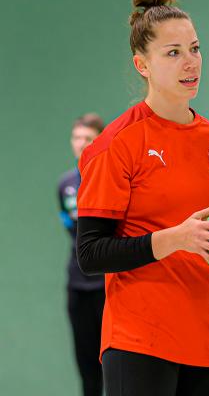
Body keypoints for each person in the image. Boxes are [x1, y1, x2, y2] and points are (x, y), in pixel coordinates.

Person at [76, 0, 209, 396]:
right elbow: (91, 253)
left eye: (195, 48)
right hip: (139, 342)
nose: (191, 62)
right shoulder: (116, 145)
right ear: (141, 65)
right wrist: (176, 239)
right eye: (173, 52)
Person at [58, 113, 105, 396]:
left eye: (88, 139)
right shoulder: (65, 185)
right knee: (87, 370)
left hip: (107, 286)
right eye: (77, 138)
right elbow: (69, 225)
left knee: (113, 366)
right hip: (77, 285)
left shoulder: (110, 180)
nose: (81, 144)